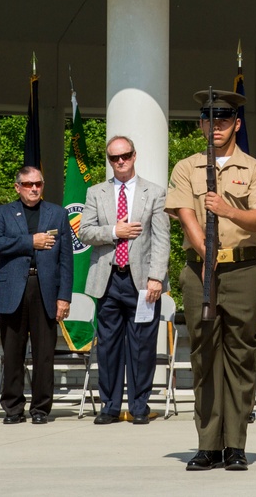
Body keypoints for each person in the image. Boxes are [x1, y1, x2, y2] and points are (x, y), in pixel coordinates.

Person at [166, 89, 256, 471]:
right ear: (201, 123)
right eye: (209, 120)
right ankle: (208, 444)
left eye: (224, 120)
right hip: (201, 271)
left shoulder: (255, 169)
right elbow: (185, 213)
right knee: (204, 356)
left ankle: (235, 444)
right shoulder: (187, 167)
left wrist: (229, 210)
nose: (216, 127)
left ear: (236, 124)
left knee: (240, 356)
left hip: (244, 270)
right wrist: (206, 254)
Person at [78, 135, 169, 425]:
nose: (120, 162)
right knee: (108, 346)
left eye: (125, 156)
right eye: (114, 158)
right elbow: (85, 233)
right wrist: (115, 231)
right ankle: (110, 406)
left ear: (134, 155)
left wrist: (157, 277)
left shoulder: (154, 192)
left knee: (142, 345)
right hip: (108, 279)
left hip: (142, 281)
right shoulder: (96, 193)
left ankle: (139, 406)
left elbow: (162, 239)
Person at [0, 166, 72, 425]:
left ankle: (41, 409)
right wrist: (29, 241)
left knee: (44, 353)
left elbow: (66, 259)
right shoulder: (3, 213)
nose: (34, 188)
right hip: (12, 288)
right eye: (28, 184)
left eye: (38, 184)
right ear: (17, 187)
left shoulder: (57, 213)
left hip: (45, 288)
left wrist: (64, 297)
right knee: (13, 351)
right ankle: (13, 408)